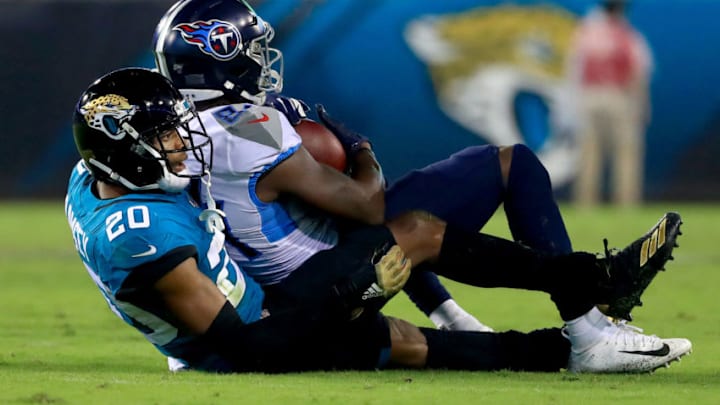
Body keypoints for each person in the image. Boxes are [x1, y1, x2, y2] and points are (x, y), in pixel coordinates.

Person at [66, 67, 690, 374]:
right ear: (125, 149)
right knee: (412, 244)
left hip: (253, 314)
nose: (183, 145)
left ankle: (573, 343)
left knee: (417, 345)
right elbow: (240, 349)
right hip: (260, 329)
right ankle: (596, 285)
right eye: (167, 138)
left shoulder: (92, 180)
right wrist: (342, 312)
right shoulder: (145, 235)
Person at [154, 0, 651, 324]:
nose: (262, 61)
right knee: (502, 168)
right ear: (216, 55)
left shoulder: (171, 128)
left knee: (388, 219)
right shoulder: (249, 125)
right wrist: (359, 147)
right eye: (250, 50)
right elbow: (368, 210)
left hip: (268, 286)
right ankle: (591, 314)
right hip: (321, 285)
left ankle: (456, 314)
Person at [567, 0, 653, 207]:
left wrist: (572, 103)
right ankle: (625, 204)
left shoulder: (585, 33)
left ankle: (585, 205)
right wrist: (642, 105)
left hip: (589, 98)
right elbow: (639, 72)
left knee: (589, 154)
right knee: (626, 154)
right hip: (618, 98)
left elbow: (572, 71)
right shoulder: (627, 35)